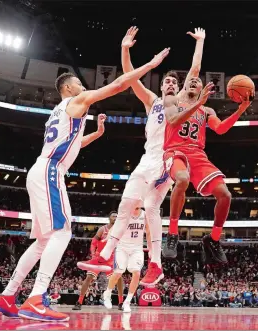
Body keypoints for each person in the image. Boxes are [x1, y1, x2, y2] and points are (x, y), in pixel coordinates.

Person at [0, 49, 169, 322]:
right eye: (78, 82)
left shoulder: (58, 112)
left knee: (42, 242)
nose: (82, 86)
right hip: (51, 171)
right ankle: (36, 298)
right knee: (62, 232)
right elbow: (119, 85)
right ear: (67, 87)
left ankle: (9, 294)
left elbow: (73, 143)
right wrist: (151, 64)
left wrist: (96, 133)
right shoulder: (77, 100)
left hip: (40, 169)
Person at [78, 26, 180, 286]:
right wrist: (125, 49)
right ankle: (105, 255)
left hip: (166, 160)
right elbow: (130, 78)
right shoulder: (152, 100)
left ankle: (155, 262)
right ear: (161, 85)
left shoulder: (182, 103)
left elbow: (194, 77)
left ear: (179, 88)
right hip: (146, 159)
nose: (170, 83)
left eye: (174, 82)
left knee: (151, 209)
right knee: (125, 206)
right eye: (167, 80)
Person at [162, 28, 254, 261]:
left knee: (225, 195)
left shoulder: (207, 110)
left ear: (202, 89)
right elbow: (173, 119)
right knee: (181, 179)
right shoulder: (175, 100)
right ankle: (172, 233)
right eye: (190, 80)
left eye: (197, 82)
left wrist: (241, 110)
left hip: (197, 155)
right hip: (175, 151)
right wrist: (200, 42)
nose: (194, 81)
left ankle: (212, 240)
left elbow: (221, 129)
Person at [74, 211, 124, 311]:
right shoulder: (103, 229)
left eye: (117, 216)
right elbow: (93, 242)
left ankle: (121, 302)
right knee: (88, 278)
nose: (115, 217)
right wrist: (93, 254)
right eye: (113, 216)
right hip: (99, 257)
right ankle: (79, 302)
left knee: (119, 278)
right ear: (109, 218)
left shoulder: (119, 230)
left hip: (111, 258)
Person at [103, 204, 149, 313]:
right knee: (119, 272)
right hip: (122, 247)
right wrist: (108, 240)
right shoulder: (124, 214)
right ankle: (107, 293)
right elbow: (113, 229)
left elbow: (149, 231)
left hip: (137, 248)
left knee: (137, 273)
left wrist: (151, 248)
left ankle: (127, 302)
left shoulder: (145, 215)